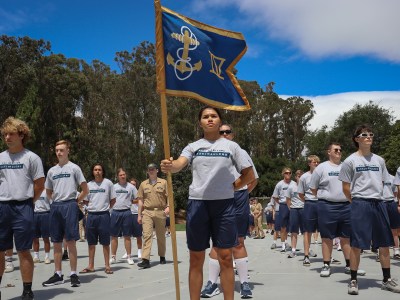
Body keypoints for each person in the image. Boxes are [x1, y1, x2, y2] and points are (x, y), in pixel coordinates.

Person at [161, 106, 255, 300]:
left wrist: (232, 187)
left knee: (226, 258)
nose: (210, 119)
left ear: (220, 122)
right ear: (200, 122)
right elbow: (180, 163)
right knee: (196, 258)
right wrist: (171, 165)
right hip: (198, 205)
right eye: (205, 117)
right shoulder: (193, 146)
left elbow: (249, 175)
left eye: (213, 116)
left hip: (224, 206)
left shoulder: (232, 147)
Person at [339, 125, 400, 295]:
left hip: (379, 203)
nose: (368, 137)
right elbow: (345, 188)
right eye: (364, 135)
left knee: (384, 243)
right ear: (356, 139)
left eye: (371, 134)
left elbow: (383, 182)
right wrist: (357, 201)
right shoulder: (350, 161)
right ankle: (353, 280)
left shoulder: (379, 160)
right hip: (359, 203)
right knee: (357, 244)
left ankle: (387, 280)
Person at [200, 123, 259, 299]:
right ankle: (212, 283)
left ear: (232, 135)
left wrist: (243, 193)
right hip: (217, 199)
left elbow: (253, 178)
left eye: (228, 132)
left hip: (238, 198)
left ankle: (244, 283)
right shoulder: (209, 152)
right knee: (216, 244)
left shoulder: (241, 153)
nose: (224, 134)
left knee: (238, 242)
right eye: (221, 132)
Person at [0, 117, 45, 299]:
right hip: (2, 207)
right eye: (5, 134)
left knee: (24, 250)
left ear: (21, 135)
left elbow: (40, 185)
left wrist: (28, 202)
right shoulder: (0, 157)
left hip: (23, 207)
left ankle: (27, 290)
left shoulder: (32, 158)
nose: (7, 137)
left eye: (11, 134)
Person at [310, 142, 361, 278]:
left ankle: (350, 265)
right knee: (327, 237)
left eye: (340, 149)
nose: (339, 151)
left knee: (346, 237)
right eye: (336, 149)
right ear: (329, 152)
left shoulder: (347, 166)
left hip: (346, 206)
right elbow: (313, 188)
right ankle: (326, 264)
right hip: (327, 206)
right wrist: (326, 198)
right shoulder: (321, 168)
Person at [42, 140, 88, 288]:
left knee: (70, 241)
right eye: (57, 150)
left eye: (62, 150)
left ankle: (73, 274)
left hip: (70, 205)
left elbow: (85, 190)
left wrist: (76, 201)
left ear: (68, 151)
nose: (59, 153)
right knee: (56, 242)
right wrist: (54, 201)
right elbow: (48, 191)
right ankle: (58, 274)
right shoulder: (51, 171)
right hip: (56, 207)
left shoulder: (74, 168)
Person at [80, 163, 116, 274]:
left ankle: (107, 266)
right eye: (95, 169)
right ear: (93, 171)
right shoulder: (89, 185)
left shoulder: (108, 183)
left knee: (105, 242)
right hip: (91, 216)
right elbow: (85, 200)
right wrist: (89, 208)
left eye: (99, 169)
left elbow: (113, 200)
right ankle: (91, 266)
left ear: (102, 171)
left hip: (104, 216)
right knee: (91, 243)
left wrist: (105, 209)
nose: (97, 171)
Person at [137, 163, 169, 269]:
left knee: (161, 236)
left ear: (157, 170)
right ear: (147, 171)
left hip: (160, 211)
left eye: (153, 169)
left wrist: (168, 207)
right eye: (149, 169)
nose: (151, 171)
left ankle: (162, 256)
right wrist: (139, 215)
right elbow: (140, 200)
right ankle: (145, 260)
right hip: (147, 212)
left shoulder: (164, 182)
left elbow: (169, 196)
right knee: (147, 235)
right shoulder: (143, 184)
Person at [110, 169, 137, 265]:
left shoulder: (131, 187)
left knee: (127, 236)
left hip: (127, 212)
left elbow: (137, 199)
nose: (123, 176)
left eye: (124, 174)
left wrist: (130, 202)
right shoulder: (113, 187)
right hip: (115, 212)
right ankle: (113, 257)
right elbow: (110, 199)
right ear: (118, 176)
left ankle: (129, 256)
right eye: (121, 175)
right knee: (113, 236)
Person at [297, 155, 320, 266]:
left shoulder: (322, 174)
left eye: (317, 162)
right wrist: (308, 201)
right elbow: (300, 194)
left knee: (326, 230)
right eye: (313, 162)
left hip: (322, 203)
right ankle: (306, 256)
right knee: (307, 231)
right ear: (309, 163)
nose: (315, 163)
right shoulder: (304, 177)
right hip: (310, 203)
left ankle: (329, 256)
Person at [272, 168, 295, 253]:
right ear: (283, 174)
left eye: (289, 172)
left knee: (293, 226)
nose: (288, 174)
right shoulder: (279, 184)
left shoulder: (294, 184)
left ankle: (293, 246)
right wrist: (281, 203)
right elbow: (274, 196)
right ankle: (283, 246)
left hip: (293, 206)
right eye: (286, 173)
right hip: (283, 206)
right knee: (283, 227)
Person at [121, 178, 143, 260]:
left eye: (134, 184)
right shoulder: (126, 191)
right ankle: (127, 252)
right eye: (131, 184)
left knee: (138, 235)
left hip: (136, 214)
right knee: (127, 235)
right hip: (127, 214)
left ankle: (139, 251)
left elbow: (140, 201)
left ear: (136, 185)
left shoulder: (138, 192)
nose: (132, 185)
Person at [286, 170, 304, 258]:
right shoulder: (291, 187)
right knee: (294, 231)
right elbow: (288, 200)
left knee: (306, 231)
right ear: (296, 177)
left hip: (304, 209)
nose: (299, 177)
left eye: (301, 176)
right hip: (294, 210)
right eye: (298, 176)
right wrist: (291, 208)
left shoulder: (306, 187)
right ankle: (293, 250)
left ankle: (307, 251)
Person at [32, 189, 52, 264]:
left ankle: (47, 257)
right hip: (35, 214)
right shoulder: (34, 191)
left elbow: (51, 203)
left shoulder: (47, 191)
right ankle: (36, 256)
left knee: (45, 237)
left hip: (45, 214)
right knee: (35, 237)